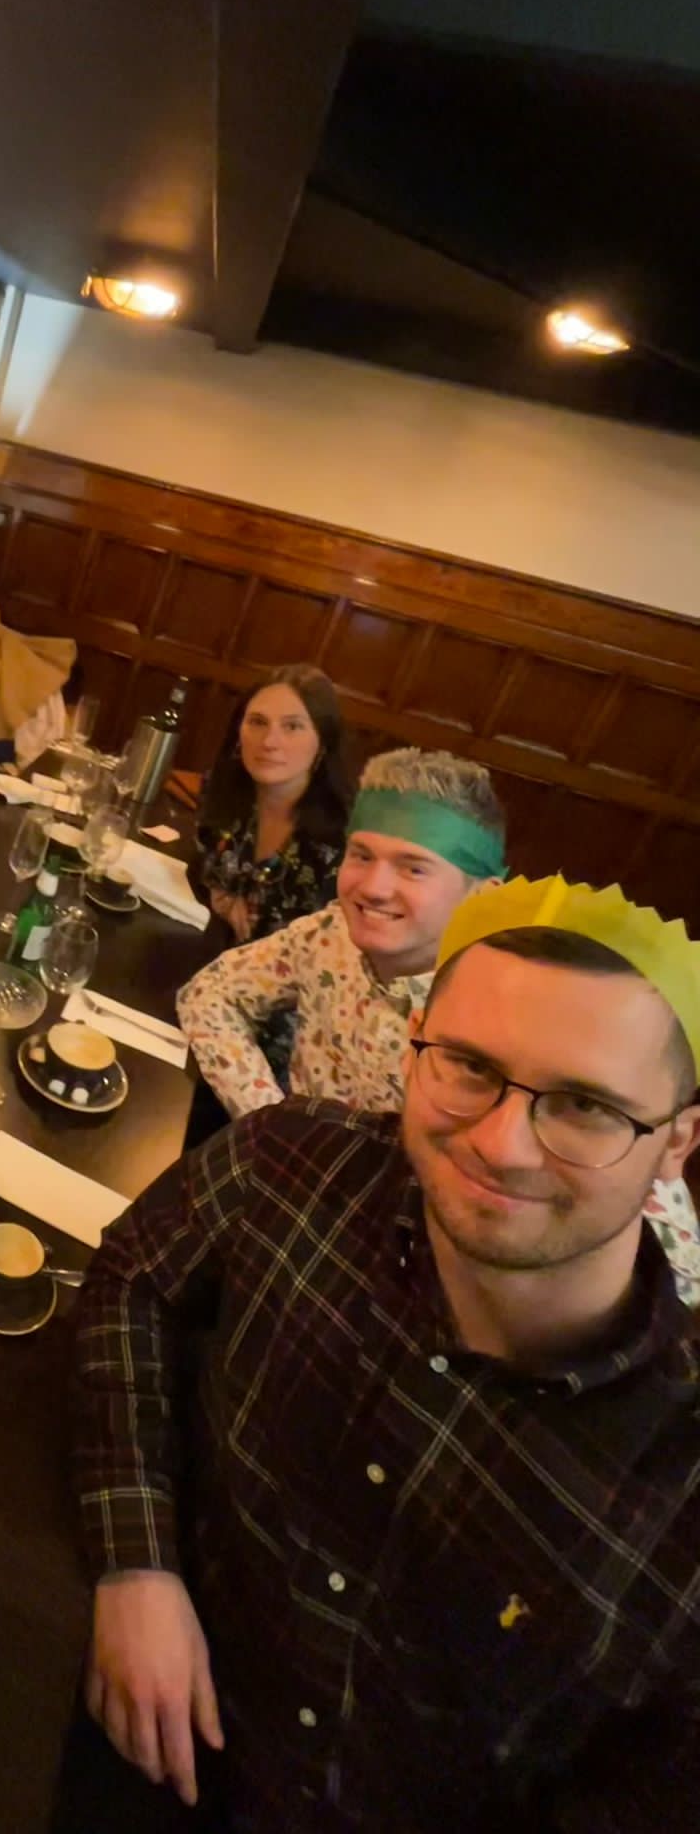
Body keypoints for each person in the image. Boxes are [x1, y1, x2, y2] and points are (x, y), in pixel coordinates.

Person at [70, 876, 700, 1832]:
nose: (503, 1145)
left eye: (584, 1105)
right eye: (469, 1066)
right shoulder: (289, 1163)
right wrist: (137, 1564)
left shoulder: (679, 1484)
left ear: (678, 1139)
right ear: (414, 1046)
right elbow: (134, 1280)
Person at [177, 746, 700, 1297]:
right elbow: (210, 994)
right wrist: (276, 1120)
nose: (372, 887)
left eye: (414, 867)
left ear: (483, 894)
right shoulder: (327, 936)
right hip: (291, 1217)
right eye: (361, 855)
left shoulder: (519, 1013)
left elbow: (677, 1263)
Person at [194, 664, 352, 948]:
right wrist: (221, 900)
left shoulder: (344, 843)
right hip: (210, 956)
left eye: (292, 726)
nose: (269, 742)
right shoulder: (222, 790)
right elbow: (200, 867)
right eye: (257, 722)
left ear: (323, 742)